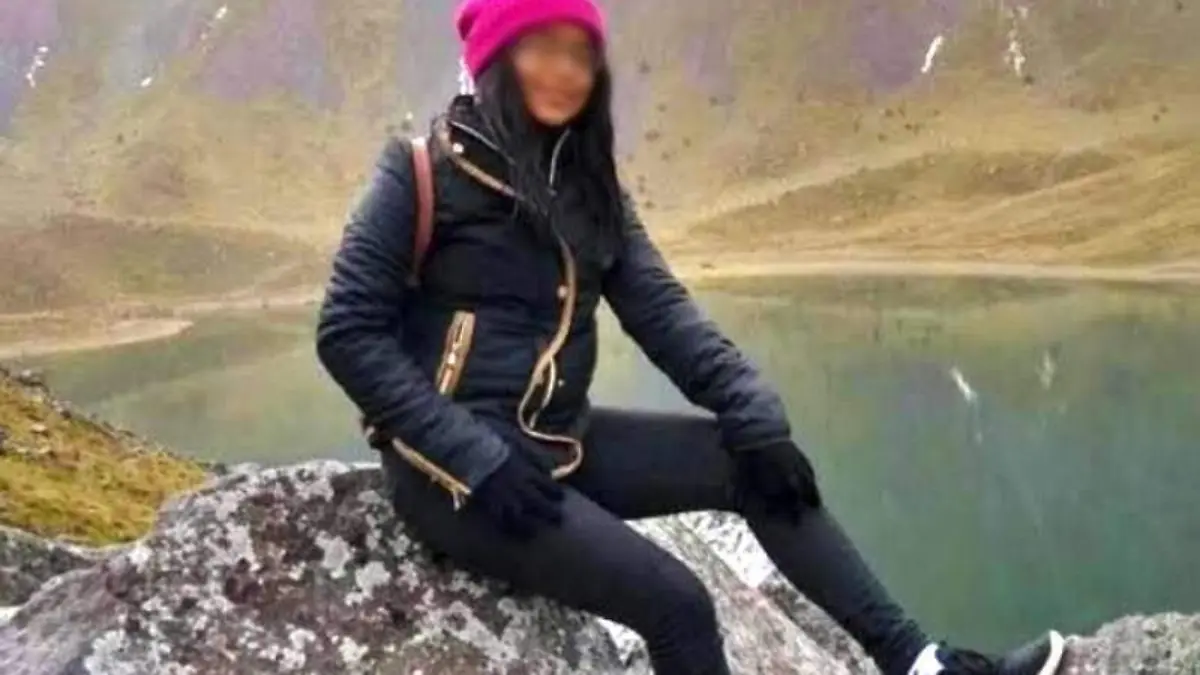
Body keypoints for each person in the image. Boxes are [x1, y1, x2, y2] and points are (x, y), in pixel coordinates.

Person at [316, 1, 1067, 673]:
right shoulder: (417, 172)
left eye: (581, 53)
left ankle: (918, 662)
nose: (566, 71)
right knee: (678, 606)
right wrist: (476, 459)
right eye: (541, 47)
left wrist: (756, 416)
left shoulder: (590, 190)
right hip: (454, 476)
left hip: (557, 441)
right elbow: (347, 333)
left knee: (750, 464)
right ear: (494, 60)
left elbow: (666, 317)